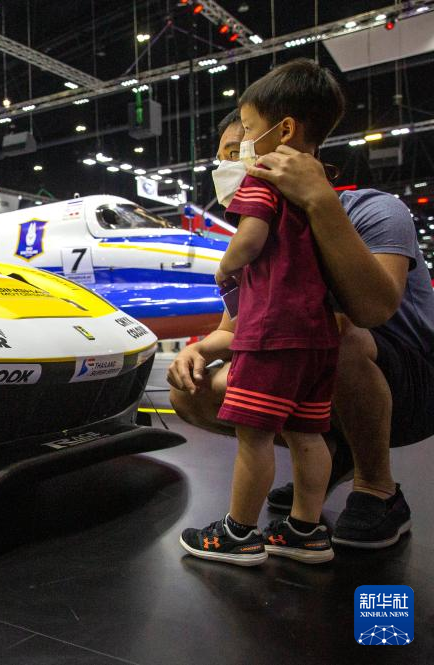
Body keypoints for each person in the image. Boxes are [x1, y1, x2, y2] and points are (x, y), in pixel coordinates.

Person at [170, 93, 434, 551]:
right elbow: (235, 328)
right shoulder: (264, 235)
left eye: (237, 150)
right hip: (315, 368)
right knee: (191, 388)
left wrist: (317, 202)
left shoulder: (374, 210)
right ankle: (326, 467)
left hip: (412, 385)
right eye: (222, 158)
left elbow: (373, 310)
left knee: (336, 336)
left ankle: (377, 489)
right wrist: (196, 350)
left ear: (283, 137)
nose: (227, 167)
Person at [179, 60, 345, 566]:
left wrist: (224, 266)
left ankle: (239, 532)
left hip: (270, 333)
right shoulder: (321, 192)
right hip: (317, 336)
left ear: (284, 131)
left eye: (248, 130)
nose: (245, 145)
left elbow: (250, 239)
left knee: (254, 437)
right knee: (309, 435)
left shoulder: (263, 180)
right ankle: (305, 531)